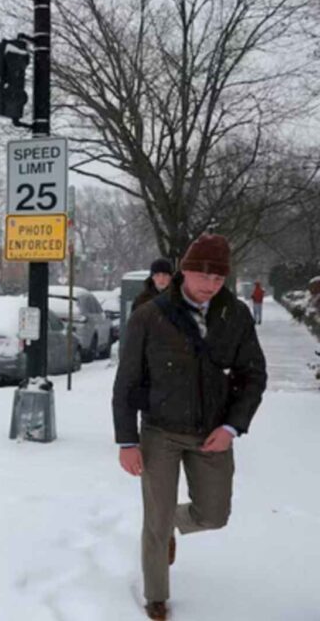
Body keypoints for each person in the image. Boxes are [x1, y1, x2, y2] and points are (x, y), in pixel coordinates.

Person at [112, 234, 267, 620]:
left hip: (212, 432)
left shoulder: (235, 315)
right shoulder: (150, 315)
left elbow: (254, 375)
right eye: (202, 275)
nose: (210, 286)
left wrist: (232, 427)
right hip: (159, 432)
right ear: (184, 270)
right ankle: (156, 597)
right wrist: (127, 440)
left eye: (218, 279)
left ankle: (172, 527)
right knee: (155, 519)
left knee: (214, 514)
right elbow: (127, 382)